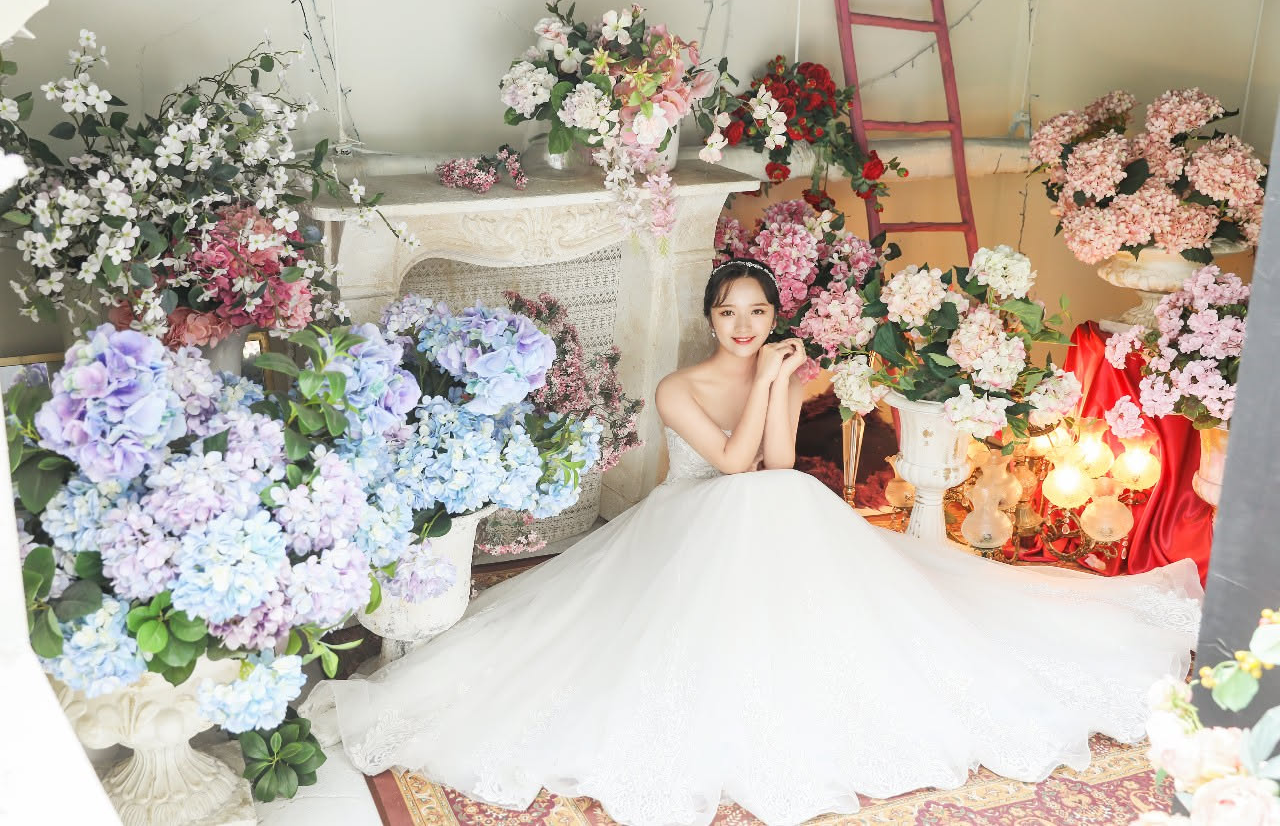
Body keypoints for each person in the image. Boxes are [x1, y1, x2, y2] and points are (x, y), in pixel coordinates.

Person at [302, 258, 1202, 826]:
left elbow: (776, 463)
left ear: (772, 317)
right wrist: (770, 380)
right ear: (710, 318)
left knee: (793, 497)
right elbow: (731, 469)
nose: (744, 326)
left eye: (758, 312)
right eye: (731, 313)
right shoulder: (678, 387)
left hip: (758, 509)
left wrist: (780, 384)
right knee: (773, 502)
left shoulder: (777, 369)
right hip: (694, 518)